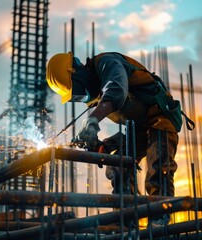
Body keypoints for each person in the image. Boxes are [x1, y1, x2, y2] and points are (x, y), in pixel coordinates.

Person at [46, 52, 188, 225]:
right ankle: (127, 219)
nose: (83, 98)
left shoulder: (107, 63)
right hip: (138, 127)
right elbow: (129, 127)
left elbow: (116, 90)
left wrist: (92, 121)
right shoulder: (97, 95)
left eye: (78, 93)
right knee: (117, 165)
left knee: (157, 167)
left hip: (161, 118)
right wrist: (103, 145)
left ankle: (159, 219)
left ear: (76, 73)